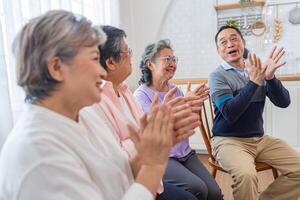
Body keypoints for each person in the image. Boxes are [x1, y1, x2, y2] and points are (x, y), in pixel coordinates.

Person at [0, 10, 175, 200]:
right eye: (93, 58)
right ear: (57, 68)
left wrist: (146, 154)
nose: (102, 71)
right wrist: (153, 167)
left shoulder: (83, 115)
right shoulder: (37, 153)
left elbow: (116, 177)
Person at [93, 25, 201, 200]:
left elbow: (146, 133)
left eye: (174, 59)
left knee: (210, 190)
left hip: (157, 169)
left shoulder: (125, 90)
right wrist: (155, 138)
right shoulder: (100, 100)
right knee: (196, 191)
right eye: (127, 51)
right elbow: (124, 157)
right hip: (134, 183)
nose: (131, 57)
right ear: (111, 62)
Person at [209, 25, 300, 200]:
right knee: (246, 175)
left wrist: (270, 78)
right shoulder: (217, 76)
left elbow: (284, 102)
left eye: (234, 38)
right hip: (228, 140)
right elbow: (230, 113)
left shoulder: (256, 68)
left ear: (243, 43)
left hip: (259, 139)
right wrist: (254, 82)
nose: (230, 44)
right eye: (223, 42)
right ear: (219, 51)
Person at [134, 39, 223, 200]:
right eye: (167, 59)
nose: (172, 63)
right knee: (198, 189)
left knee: (215, 193)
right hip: (164, 155)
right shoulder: (141, 95)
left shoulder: (176, 91)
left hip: (186, 153)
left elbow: (186, 125)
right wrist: (185, 104)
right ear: (150, 64)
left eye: (174, 59)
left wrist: (193, 109)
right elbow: (158, 128)